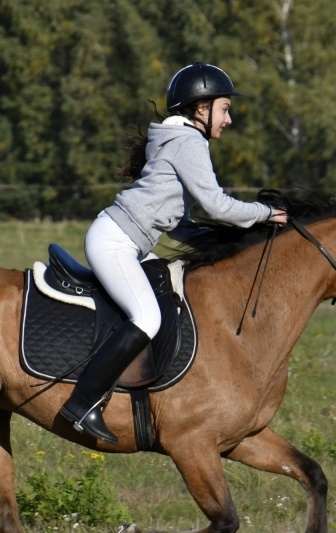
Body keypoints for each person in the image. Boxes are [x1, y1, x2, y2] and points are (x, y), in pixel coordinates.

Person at [59, 62, 288, 443]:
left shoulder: (178, 142)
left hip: (123, 240)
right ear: (202, 109)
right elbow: (217, 206)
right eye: (225, 108)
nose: (228, 119)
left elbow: (181, 222)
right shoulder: (189, 143)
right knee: (146, 318)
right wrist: (267, 214)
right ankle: (82, 403)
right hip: (115, 242)